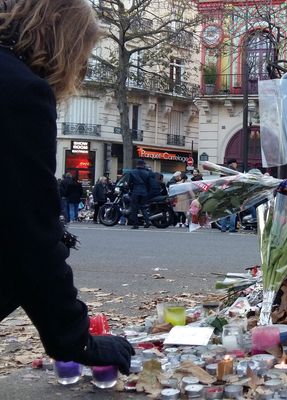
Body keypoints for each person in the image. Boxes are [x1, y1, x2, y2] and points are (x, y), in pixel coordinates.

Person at [0, 0, 133, 374]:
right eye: (82, 52)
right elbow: (28, 235)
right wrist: (77, 340)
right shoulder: (20, 91)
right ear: (61, 33)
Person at [128, 159, 152, 229]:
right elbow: (149, 184)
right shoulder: (147, 173)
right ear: (143, 165)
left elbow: (130, 183)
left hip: (135, 191)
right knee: (143, 207)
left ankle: (135, 224)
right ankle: (147, 221)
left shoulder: (133, 172)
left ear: (137, 165)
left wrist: (131, 190)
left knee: (134, 208)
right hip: (144, 192)